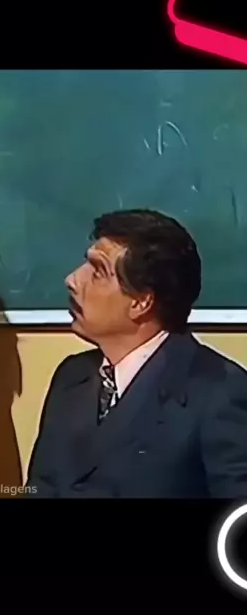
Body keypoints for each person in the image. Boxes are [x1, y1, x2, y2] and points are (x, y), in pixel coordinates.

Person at [26, 208, 247, 498]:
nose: (72, 279)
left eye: (98, 271)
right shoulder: (72, 376)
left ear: (141, 302)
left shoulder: (219, 391)